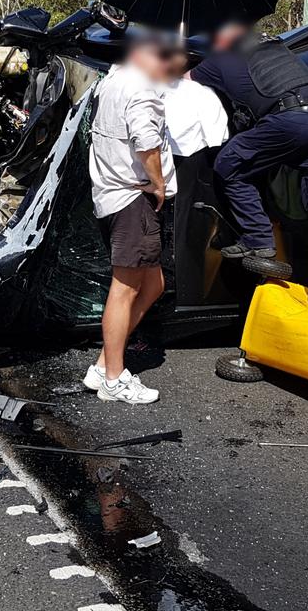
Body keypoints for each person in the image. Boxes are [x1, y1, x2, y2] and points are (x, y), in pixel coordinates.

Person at [188, 20, 308, 302]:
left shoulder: (220, 59)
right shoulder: (281, 52)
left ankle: (258, 240)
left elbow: (183, 82)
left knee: (229, 163)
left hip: (291, 121)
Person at [82, 32, 177, 405]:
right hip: (133, 197)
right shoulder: (141, 89)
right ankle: (113, 378)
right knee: (124, 291)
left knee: (153, 285)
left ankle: (103, 364)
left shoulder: (113, 78)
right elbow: (146, 142)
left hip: (110, 193)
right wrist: (159, 185)